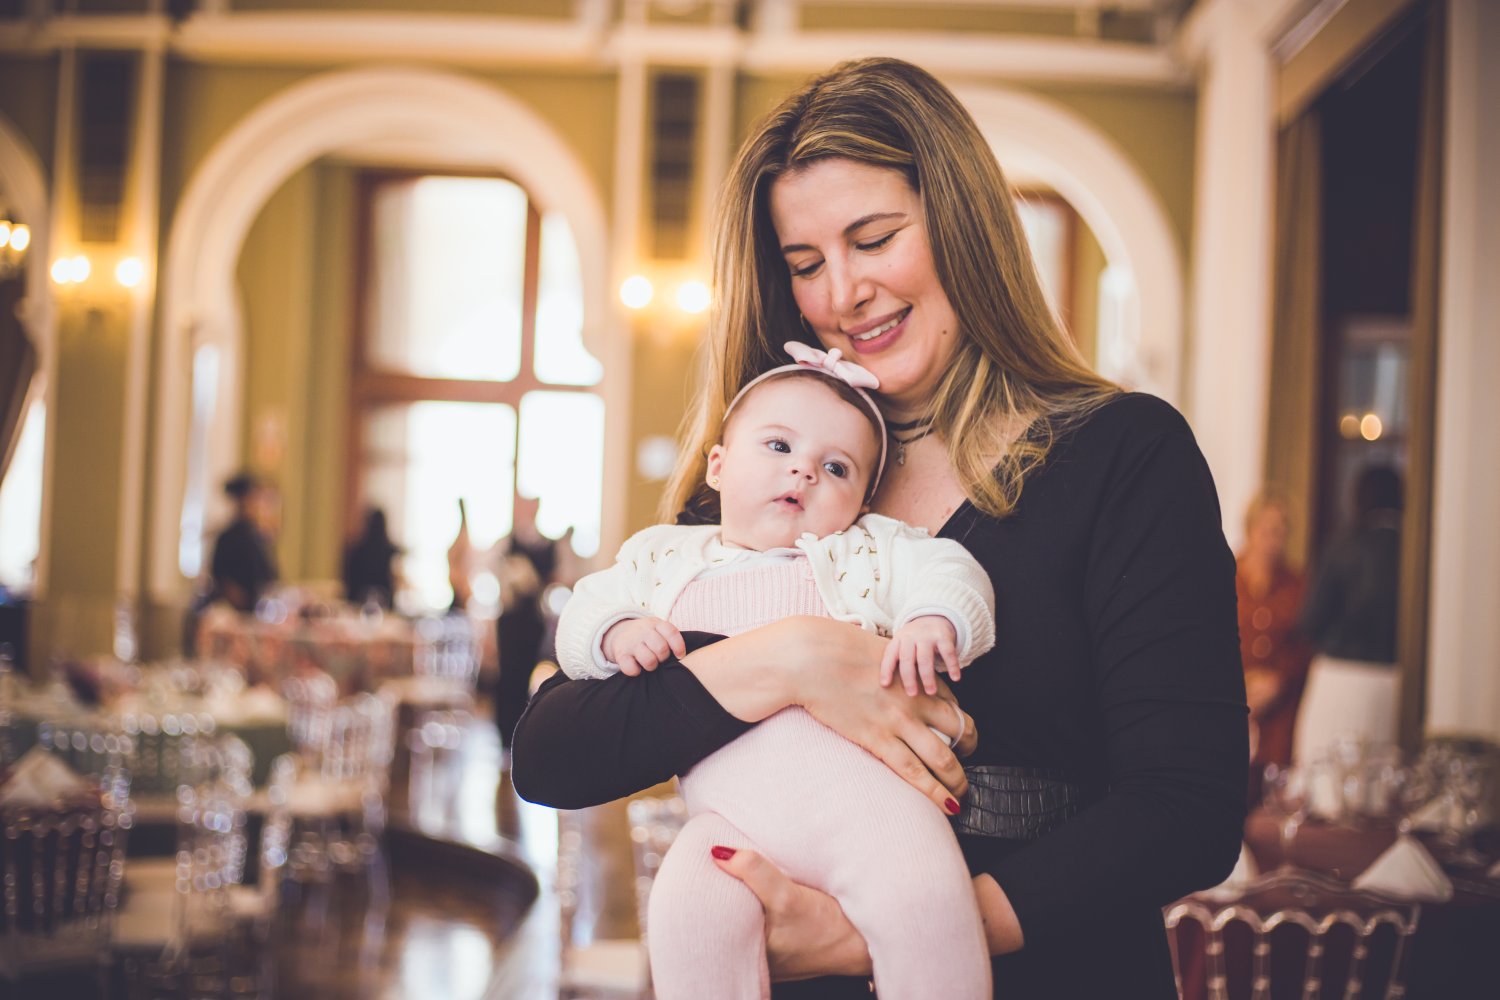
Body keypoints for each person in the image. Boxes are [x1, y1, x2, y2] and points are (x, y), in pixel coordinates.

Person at [511, 57, 1246, 998]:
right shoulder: (769, 482)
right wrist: (789, 660)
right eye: (806, 264)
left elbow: (1187, 809)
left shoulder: (1123, 455)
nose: (844, 292)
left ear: (963, 225)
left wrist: (879, 933)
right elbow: (552, 754)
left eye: (875, 239)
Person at [556, 346, 995, 999]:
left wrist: (934, 618)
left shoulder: (866, 549)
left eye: (836, 467)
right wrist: (616, 631)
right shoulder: (662, 556)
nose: (804, 470)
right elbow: (582, 612)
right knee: (687, 912)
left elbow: (952, 569)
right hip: (728, 822)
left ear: (861, 502)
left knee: (928, 902)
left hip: (873, 811)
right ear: (718, 466)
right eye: (779, 445)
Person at [1293, 464, 1403, 763]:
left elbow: (1311, 620)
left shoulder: (1343, 545)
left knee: (1325, 772)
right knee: (1378, 774)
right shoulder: (1414, 548)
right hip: (1392, 680)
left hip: (1340, 677)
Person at [1236, 491, 1312, 804]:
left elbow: (1305, 645)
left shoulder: (1297, 585)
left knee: (1269, 796)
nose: (1272, 539)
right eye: (1265, 529)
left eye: (1279, 531)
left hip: (1279, 712)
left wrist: (1277, 680)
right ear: (1250, 529)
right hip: (1232, 701)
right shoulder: (1225, 576)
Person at [208, 471, 278, 613]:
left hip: (260, 608)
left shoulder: (257, 535)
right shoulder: (229, 537)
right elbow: (223, 580)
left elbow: (268, 576)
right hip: (239, 612)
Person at [342, 507, 401, 610]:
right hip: (385, 606)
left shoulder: (355, 549)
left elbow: (347, 578)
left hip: (356, 605)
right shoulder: (390, 551)